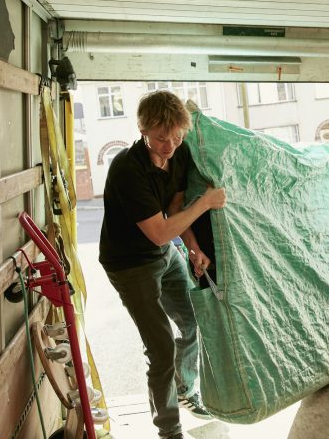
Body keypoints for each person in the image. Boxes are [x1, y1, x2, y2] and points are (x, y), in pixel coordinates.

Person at [98, 90, 224, 439]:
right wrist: (208, 203)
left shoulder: (179, 153)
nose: (169, 146)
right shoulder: (127, 168)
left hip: (164, 252)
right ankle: (169, 430)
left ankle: (184, 389)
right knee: (161, 347)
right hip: (129, 263)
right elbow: (158, 232)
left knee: (192, 320)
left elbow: (174, 212)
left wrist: (194, 249)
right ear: (142, 130)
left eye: (176, 137)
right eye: (161, 138)